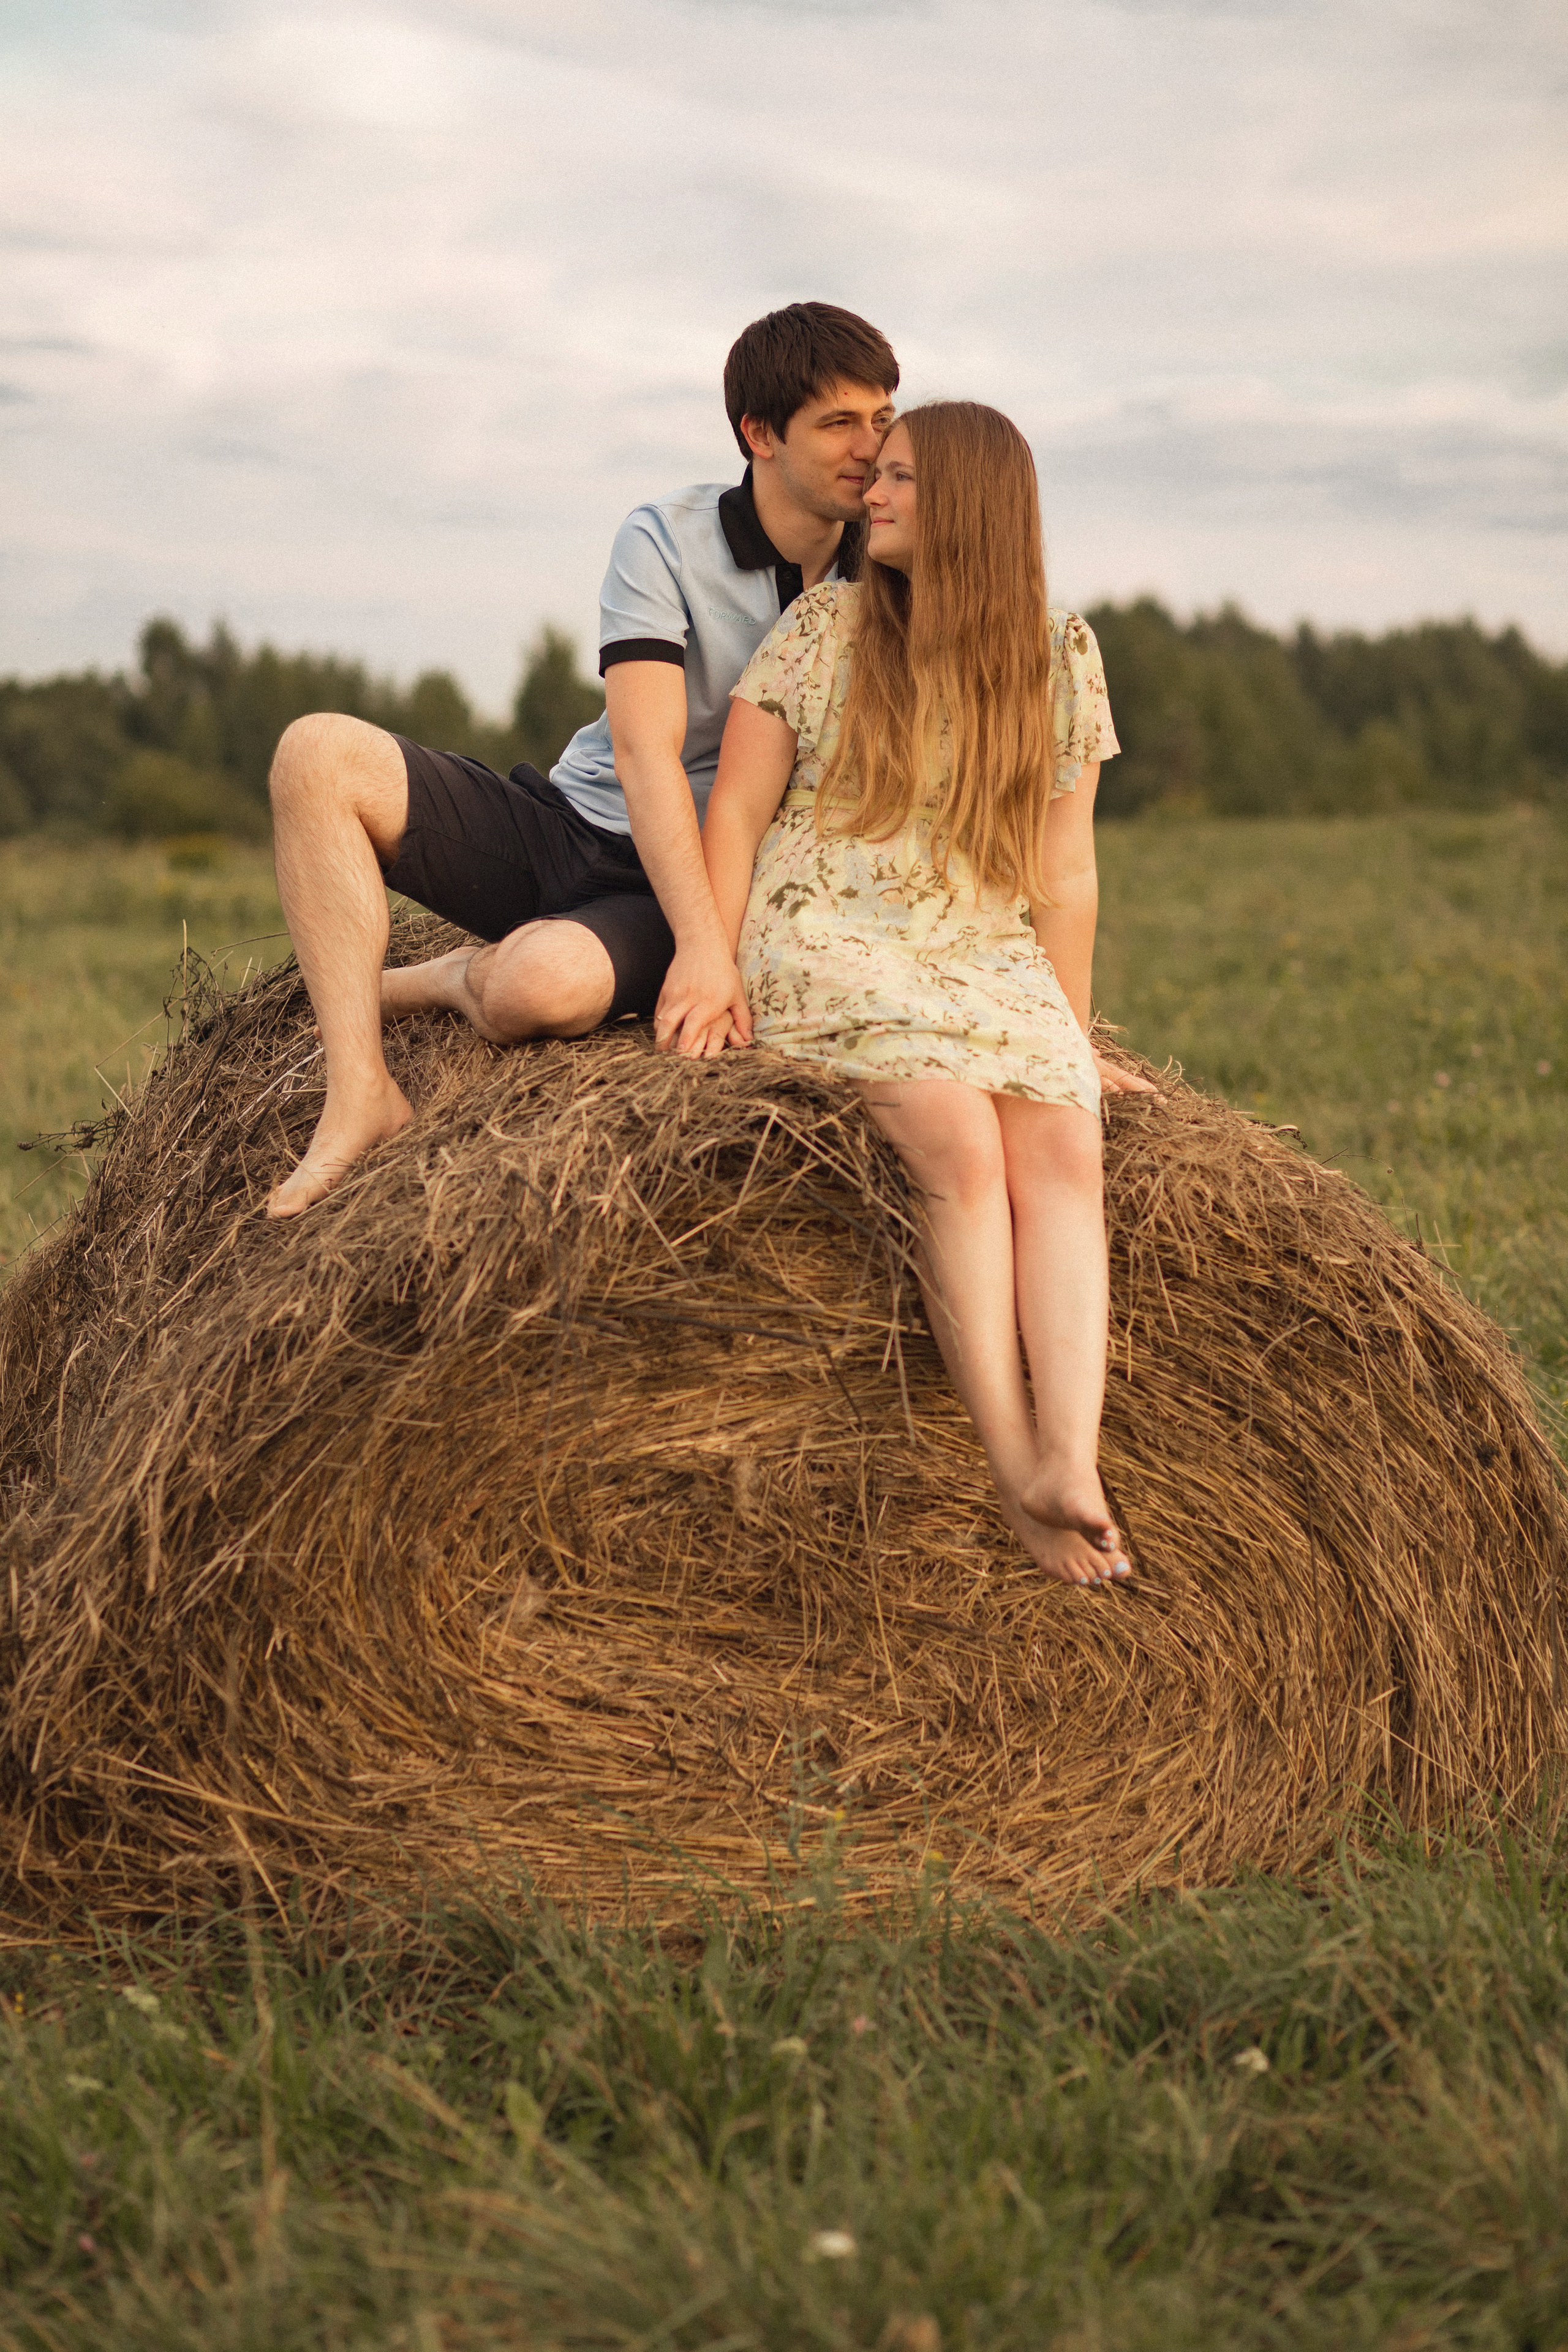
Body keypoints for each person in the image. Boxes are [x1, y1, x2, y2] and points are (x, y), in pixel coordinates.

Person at [263, 303, 900, 1218]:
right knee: (317, 753)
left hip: (701, 876)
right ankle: (359, 1090)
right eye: (840, 422)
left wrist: (713, 944)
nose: (869, 447)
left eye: (882, 418)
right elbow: (646, 755)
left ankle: (447, 977)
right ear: (759, 434)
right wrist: (707, 956)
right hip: (578, 822)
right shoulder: (665, 538)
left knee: (538, 988)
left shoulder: (890, 570)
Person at [699, 401, 1156, 1589]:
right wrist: (709, 956)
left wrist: (1068, 1025)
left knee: (1061, 1135)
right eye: (876, 473)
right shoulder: (822, 628)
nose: (874, 493)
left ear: (968, 502)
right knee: (956, 1140)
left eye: (898, 476)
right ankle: (1016, 1478)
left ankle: (1072, 1451)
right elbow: (738, 809)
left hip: (972, 938)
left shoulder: (1058, 652)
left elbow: (1062, 871)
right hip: (825, 926)